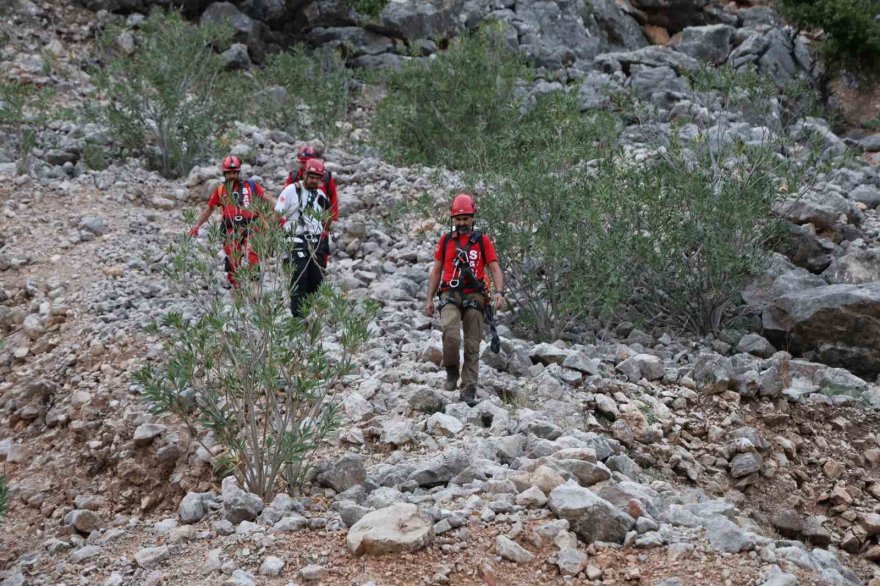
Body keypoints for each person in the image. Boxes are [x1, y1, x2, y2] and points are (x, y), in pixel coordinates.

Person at [425, 194, 505, 406]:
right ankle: (451, 370)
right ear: (453, 219)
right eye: (458, 219)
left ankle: (468, 388)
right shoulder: (445, 241)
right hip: (450, 294)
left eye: (465, 219)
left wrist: (499, 292)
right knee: (450, 334)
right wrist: (429, 299)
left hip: (475, 295)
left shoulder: (482, 241)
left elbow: (494, 267)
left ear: (472, 217)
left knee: (472, 344)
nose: (461, 223)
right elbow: (436, 271)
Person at [188, 155, 273, 288]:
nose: (232, 175)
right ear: (224, 173)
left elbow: (268, 200)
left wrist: (279, 216)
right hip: (230, 229)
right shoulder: (221, 190)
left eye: (235, 172)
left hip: (252, 226)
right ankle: (236, 290)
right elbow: (209, 210)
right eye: (229, 173)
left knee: (253, 254)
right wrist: (197, 225)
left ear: (239, 172)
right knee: (233, 259)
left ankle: (254, 288)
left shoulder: (251, 186)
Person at [275, 158, 331, 317]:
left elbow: (327, 220)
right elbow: (277, 215)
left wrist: (326, 228)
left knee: (316, 282)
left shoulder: (320, 194)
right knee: (299, 279)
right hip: (295, 240)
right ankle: (298, 318)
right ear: (304, 174)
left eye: (317, 178)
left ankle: (306, 311)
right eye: (311, 177)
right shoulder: (290, 190)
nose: (314, 181)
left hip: (316, 242)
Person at [284, 145, 339, 231]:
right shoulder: (294, 177)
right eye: (301, 162)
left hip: (319, 217)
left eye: (305, 162)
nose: (303, 165)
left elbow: (333, 197)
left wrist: (333, 218)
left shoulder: (325, 177)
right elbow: (286, 199)